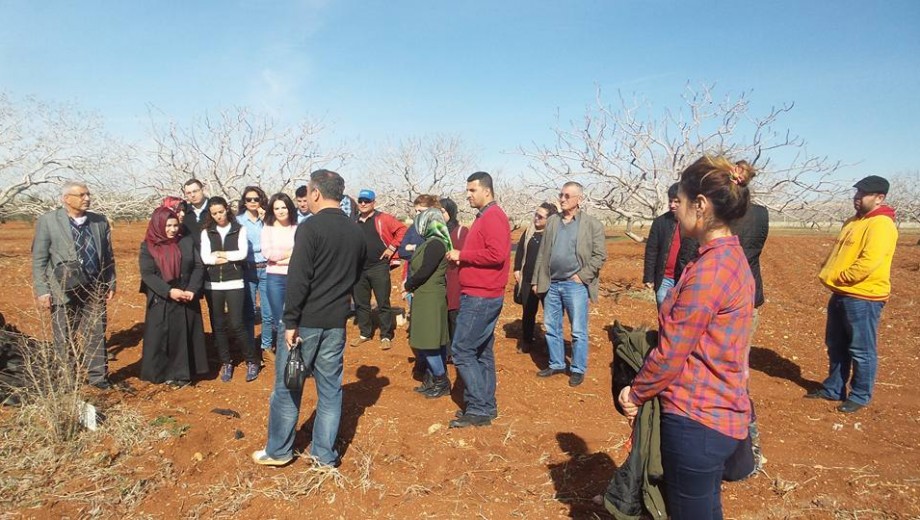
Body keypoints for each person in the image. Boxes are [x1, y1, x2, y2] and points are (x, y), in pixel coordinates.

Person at [619, 156, 757, 520]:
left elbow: (671, 353)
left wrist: (634, 393)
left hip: (698, 418)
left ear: (701, 204)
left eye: (679, 201)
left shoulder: (710, 270)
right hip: (719, 409)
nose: (674, 209)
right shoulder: (724, 257)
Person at [253, 169, 366, 468]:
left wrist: (290, 322)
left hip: (306, 322)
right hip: (336, 321)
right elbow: (356, 274)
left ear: (315, 192)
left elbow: (299, 278)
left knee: (289, 386)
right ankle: (323, 454)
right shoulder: (356, 230)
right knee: (330, 390)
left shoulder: (310, 228)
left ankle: (279, 451)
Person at [806, 175, 898, 414]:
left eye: (862, 194)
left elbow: (869, 262)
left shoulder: (881, 225)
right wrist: (829, 272)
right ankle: (834, 388)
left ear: (879, 198)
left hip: (863, 297)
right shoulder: (853, 221)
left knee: (861, 349)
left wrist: (840, 277)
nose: (857, 198)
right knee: (836, 344)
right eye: (856, 193)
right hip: (842, 294)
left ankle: (860, 394)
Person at [32, 180, 116, 389]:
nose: (87, 198)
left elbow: (108, 256)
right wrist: (43, 290)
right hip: (62, 288)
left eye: (88, 194)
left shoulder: (99, 221)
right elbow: (39, 259)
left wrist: (111, 282)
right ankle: (68, 381)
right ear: (65, 198)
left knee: (95, 333)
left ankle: (98, 379)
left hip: (94, 286)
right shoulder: (49, 221)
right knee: (64, 335)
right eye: (81, 195)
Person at [446, 171, 511, 428]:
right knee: (482, 351)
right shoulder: (486, 216)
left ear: (487, 190)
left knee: (462, 349)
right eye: (468, 190)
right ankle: (486, 405)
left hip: (481, 295)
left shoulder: (493, 217)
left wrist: (462, 255)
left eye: (473, 190)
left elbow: (496, 254)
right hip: (483, 293)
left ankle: (480, 407)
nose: (469, 195)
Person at [532, 182, 607, 387]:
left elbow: (600, 255)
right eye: (561, 195)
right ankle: (556, 363)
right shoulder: (553, 222)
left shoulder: (592, 224)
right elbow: (543, 253)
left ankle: (577, 368)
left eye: (567, 196)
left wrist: (582, 276)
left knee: (578, 330)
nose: (562, 199)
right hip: (552, 283)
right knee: (552, 326)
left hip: (575, 285)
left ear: (578, 199)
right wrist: (536, 280)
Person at [138, 206, 208, 386]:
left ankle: (183, 374)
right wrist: (169, 291)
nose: (172, 229)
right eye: (168, 225)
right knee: (163, 336)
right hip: (162, 298)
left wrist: (192, 289)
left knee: (185, 335)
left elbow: (198, 266)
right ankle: (164, 373)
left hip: (186, 295)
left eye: (175, 225)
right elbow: (148, 274)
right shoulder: (148, 246)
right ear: (158, 225)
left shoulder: (185, 241)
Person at [200, 197, 259, 383]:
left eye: (221, 211)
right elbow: (205, 258)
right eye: (214, 213)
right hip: (213, 284)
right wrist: (220, 257)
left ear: (227, 209)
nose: (218, 216)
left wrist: (221, 254)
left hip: (234, 282)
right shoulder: (206, 232)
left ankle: (252, 360)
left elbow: (241, 254)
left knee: (237, 323)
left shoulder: (239, 229)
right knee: (218, 325)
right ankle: (226, 362)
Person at [402, 208, 452, 398]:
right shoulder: (432, 242)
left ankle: (441, 381)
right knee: (432, 340)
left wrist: (408, 284)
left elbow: (424, 271)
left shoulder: (435, 244)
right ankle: (432, 379)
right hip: (426, 296)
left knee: (427, 341)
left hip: (430, 297)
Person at [350, 189, 407, 350]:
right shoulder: (354, 221)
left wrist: (391, 248)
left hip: (379, 266)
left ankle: (386, 335)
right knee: (361, 303)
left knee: (383, 302)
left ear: (373, 203)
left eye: (366, 201)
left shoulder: (383, 218)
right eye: (360, 200)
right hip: (359, 268)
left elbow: (402, 230)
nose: (363, 204)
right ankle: (365, 333)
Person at [643, 183, 698, 307]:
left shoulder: (697, 223)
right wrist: (649, 277)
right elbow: (652, 250)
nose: (672, 205)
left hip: (688, 279)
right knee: (663, 308)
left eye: (677, 201)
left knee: (683, 312)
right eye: (670, 201)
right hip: (665, 278)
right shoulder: (660, 223)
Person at [513, 202, 557, 354]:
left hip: (546, 280)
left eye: (540, 216)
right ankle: (526, 341)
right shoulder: (529, 231)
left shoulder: (553, 235)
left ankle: (550, 345)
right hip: (527, 278)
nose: (536, 218)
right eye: (535, 215)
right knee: (528, 311)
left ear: (549, 220)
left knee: (550, 314)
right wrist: (517, 269)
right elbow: (520, 251)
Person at [236, 187, 273, 354]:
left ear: (261, 200)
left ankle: (266, 345)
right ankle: (250, 346)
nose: (252, 202)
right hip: (247, 269)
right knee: (249, 311)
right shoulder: (238, 221)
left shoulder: (269, 220)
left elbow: (275, 240)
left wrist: (268, 222)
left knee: (268, 312)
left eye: (256, 199)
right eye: (249, 199)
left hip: (267, 268)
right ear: (244, 201)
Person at [261, 193, 298, 353]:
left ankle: (299, 354)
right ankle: (286, 354)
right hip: (274, 277)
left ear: (289, 208)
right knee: (279, 319)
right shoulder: (267, 228)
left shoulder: (297, 227)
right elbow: (268, 254)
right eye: (276, 208)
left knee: (296, 316)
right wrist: (289, 255)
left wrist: (282, 259)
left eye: (283, 207)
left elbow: (301, 252)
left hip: (295, 277)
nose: (281, 211)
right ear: (272, 210)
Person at [439, 197, 468, 346]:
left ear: (450, 211)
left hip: (455, 279)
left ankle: (457, 350)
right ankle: (447, 350)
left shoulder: (461, 231)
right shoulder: (435, 232)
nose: (439, 214)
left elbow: (465, 255)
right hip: (439, 280)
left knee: (454, 315)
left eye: (442, 211)